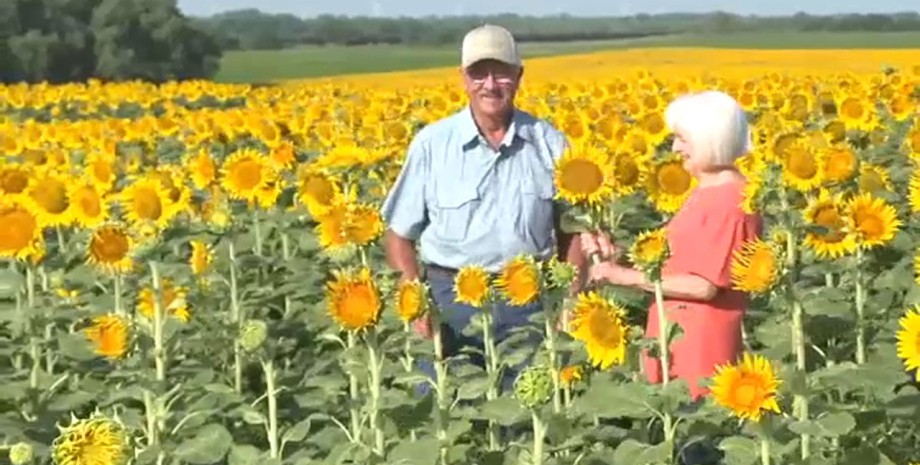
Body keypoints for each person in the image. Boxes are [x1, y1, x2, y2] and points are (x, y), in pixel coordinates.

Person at [380, 23, 585, 394]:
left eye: (501, 72)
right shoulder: (433, 144)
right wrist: (412, 297)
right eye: (478, 73)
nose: (490, 84)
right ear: (463, 78)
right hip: (448, 301)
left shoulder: (548, 142)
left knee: (527, 417)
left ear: (519, 76)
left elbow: (572, 232)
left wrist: (569, 302)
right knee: (445, 411)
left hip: (529, 300)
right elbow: (398, 235)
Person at [580, 90, 762, 401]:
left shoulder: (731, 201)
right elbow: (679, 261)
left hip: (701, 348)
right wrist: (618, 258)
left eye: (683, 139)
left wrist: (623, 277)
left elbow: (704, 285)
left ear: (710, 139)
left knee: (697, 433)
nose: (675, 148)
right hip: (677, 338)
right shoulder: (707, 192)